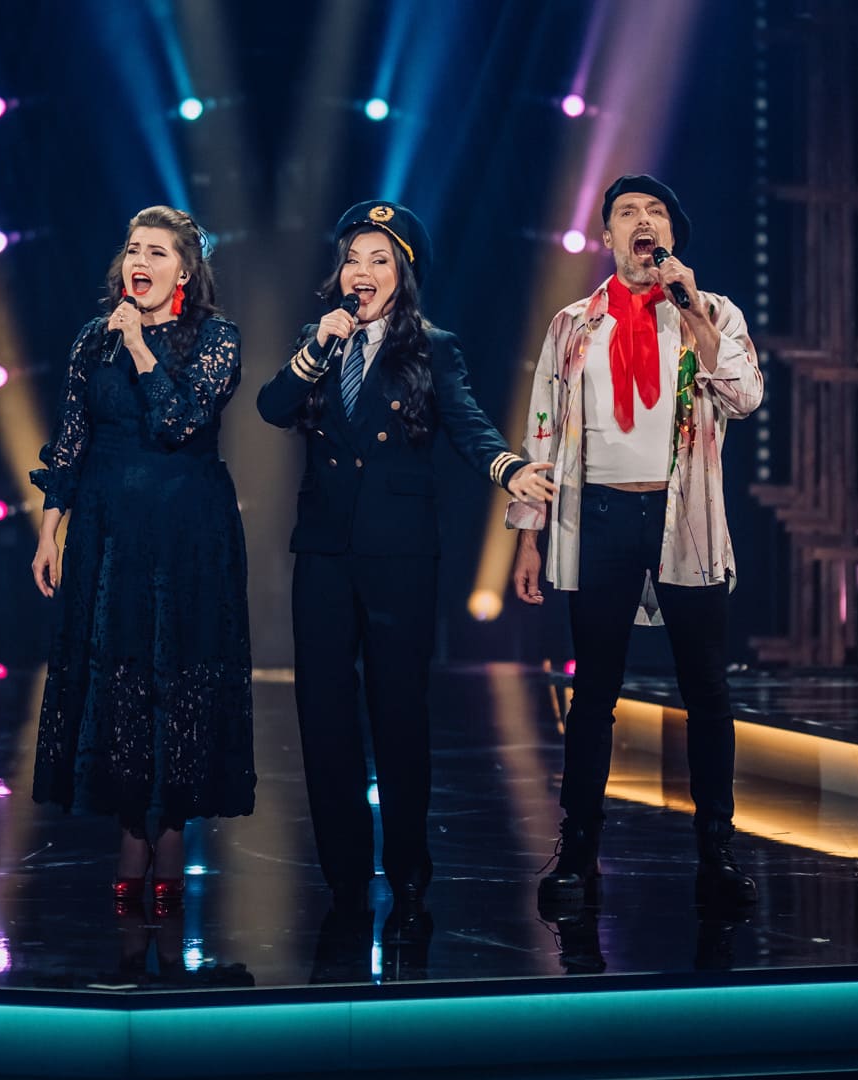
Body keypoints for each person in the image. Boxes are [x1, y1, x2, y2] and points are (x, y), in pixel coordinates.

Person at [256, 200, 557, 925]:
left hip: (401, 554)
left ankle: (409, 872)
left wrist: (509, 469)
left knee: (398, 713)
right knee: (324, 714)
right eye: (353, 259)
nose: (361, 272)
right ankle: (344, 874)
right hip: (325, 553)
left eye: (379, 259)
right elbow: (272, 406)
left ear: (404, 274)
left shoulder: (431, 346)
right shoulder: (318, 340)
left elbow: (468, 423)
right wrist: (316, 347)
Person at [507, 174, 764, 911]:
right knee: (594, 691)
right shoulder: (573, 324)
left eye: (655, 213)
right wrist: (528, 535)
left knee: (706, 688)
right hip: (600, 517)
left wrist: (693, 313)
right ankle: (577, 849)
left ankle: (717, 849)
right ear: (608, 235)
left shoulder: (712, 311)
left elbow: (745, 397)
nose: (642, 221)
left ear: (671, 238)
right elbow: (543, 429)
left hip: (687, 516)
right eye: (627, 212)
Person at [29, 206, 254, 914]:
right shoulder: (92, 340)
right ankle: (131, 830)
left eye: (156, 251)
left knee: (182, 675)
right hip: (108, 526)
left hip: (188, 527)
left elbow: (179, 420)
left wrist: (141, 346)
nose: (140, 261)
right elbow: (71, 439)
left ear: (184, 270)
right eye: (132, 249)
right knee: (119, 674)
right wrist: (50, 530)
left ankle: (174, 828)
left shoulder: (215, 338)